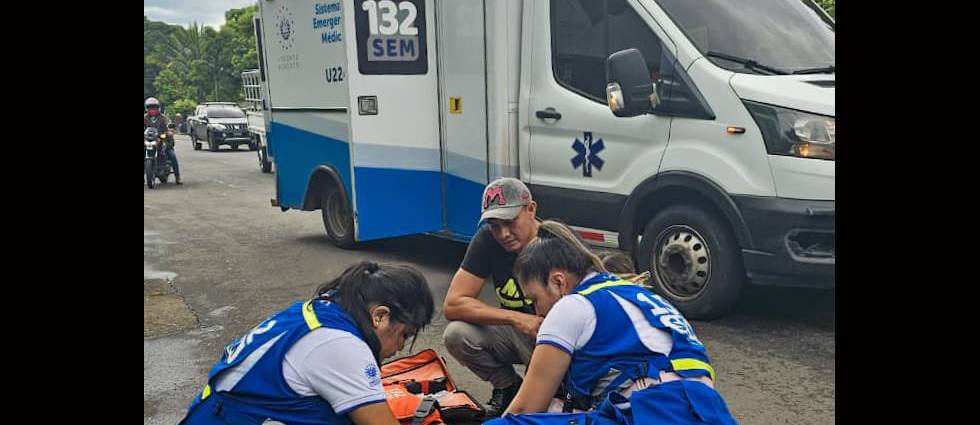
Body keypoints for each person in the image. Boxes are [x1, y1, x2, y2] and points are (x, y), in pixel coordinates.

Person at [489, 220, 737, 424]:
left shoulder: (572, 305)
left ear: (558, 282)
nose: (537, 310)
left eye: (535, 299)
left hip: (653, 413)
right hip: (708, 412)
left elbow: (525, 408)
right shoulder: (634, 294)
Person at [180, 261, 435, 425]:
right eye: (404, 335)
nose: (400, 348)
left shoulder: (323, 311)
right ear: (380, 316)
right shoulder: (340, 344)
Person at [442, 177, 541, 417]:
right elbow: (453, 303)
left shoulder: (553, 242)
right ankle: (507, 386)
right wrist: (515, 318)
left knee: (536, 411)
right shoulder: (487, 239)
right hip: (520, 332)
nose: (503, 233)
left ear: (531, 209)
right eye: (495, 225)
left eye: (510, 222)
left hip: (553, 337)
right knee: (456, 334)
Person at [143, 97, 181, 184]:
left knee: (172, 155)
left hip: (163, 140)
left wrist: (169, 132)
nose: (152, 110)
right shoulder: (144, 118)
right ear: (147, 109)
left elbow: (169, 127)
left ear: (158, 108)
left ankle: (177, 177)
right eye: (150, 108)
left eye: (154, 108)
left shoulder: (163, 118)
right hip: (149, 140)